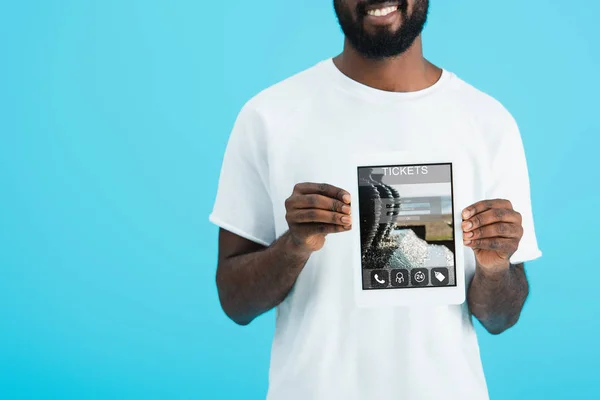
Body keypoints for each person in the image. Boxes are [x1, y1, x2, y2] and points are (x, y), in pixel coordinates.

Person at [209, 1, 542, 399]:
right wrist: (294, 247)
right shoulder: (269, 116)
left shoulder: (489, 122)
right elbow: (235, 302)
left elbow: (501, 317)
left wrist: (494, 268)